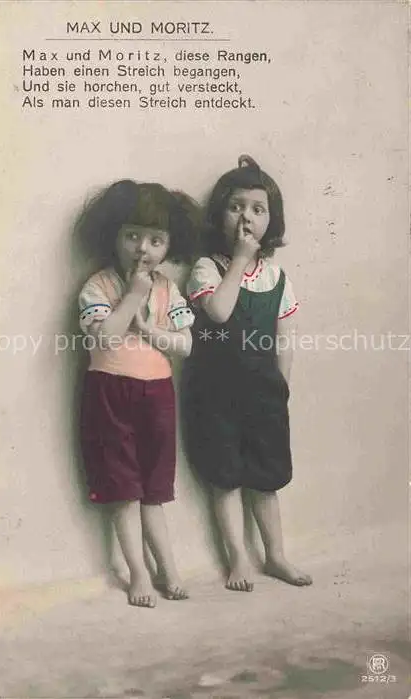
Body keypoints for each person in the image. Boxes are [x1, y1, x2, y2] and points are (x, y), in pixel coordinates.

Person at [183, 155, 312, 592]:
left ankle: (275, 555)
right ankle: (238, 558)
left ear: (271, 221)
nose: (246, 217)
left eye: (258, 209)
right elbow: (219, 312)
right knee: (225, 477)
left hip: (263, 395)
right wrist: (239, 259)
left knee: (265, 479)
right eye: (236, 206)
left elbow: (285, 340)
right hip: (216, 394)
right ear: (219, 214)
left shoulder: (277, 277)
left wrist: (281, 389)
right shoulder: (207, 269)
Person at [77, 179, 199, 608]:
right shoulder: (99, 286)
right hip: (110, 393)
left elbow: (185, 345)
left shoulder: (168, 289)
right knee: (122, 489)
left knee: (154, 489)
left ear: (169, 245)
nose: (142, 248)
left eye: (155, 240)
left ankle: (169, 568)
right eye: (132, 236)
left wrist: (148, 329)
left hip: (158, 395)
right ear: (114, 235)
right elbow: (106, 338)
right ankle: (138, 572)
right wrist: (132, 297)